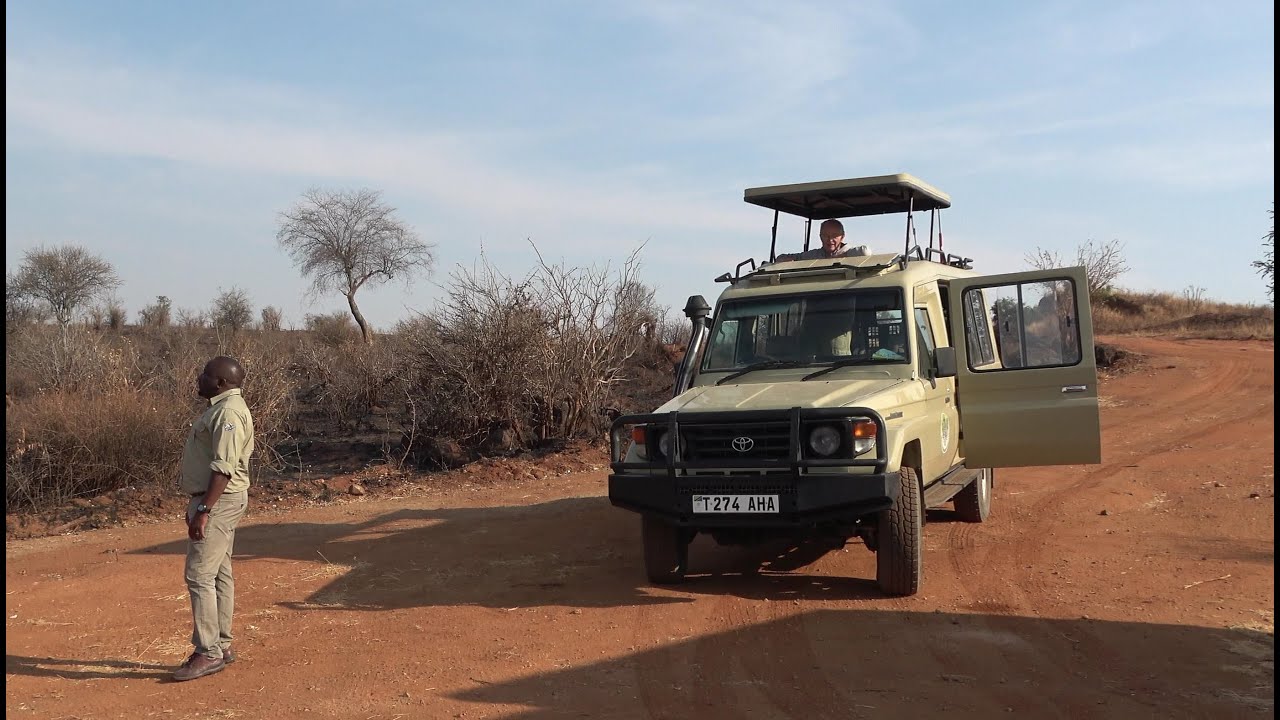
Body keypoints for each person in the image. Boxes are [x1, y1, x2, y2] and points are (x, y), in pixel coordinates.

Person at [172, 356, 254, 682]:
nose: (199, 378)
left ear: (219, 382)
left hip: (219, 501)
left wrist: (204, 510)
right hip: (214, 500)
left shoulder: (228, 413)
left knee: (199, 575)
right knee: (219, 573)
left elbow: (224, 468)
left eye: (205, 374)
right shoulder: (221, 408)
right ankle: (221, 644)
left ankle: (208, 652)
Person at [775, 219, 870, 262]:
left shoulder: (850, 252)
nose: (830, 240)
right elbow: (780, 258)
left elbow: (865, 252)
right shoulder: (814, 255)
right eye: (825, 236)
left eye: (834, 236)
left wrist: (836, 258)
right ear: (820, 236)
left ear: (842, 237)